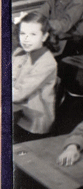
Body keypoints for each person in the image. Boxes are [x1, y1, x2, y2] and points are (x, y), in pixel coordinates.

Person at [13, 12, 57, 142]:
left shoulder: (47, 62)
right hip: (19, 115)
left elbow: (20, 93)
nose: (26, 39)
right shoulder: (19, 53)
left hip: (35, 123)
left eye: (33, 34)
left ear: (44, 37)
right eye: (23, 34)